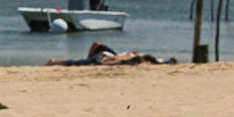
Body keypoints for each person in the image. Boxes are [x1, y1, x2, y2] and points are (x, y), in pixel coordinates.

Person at [46, 41, 176, 67]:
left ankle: (54, 62)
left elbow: (160, 61)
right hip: (107, 56)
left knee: (82, 62)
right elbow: (160, 61)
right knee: (95, 47)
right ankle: (55, 62)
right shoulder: (137, 57)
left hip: (105, 57)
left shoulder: (135, 57)